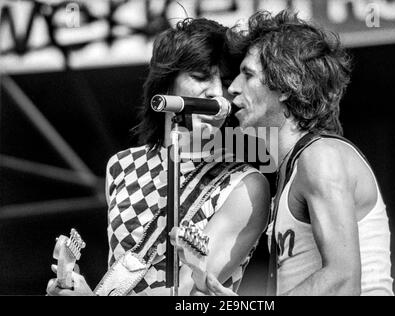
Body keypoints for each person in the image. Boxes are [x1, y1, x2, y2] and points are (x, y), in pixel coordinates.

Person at [46, 17, 270, 296]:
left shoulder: (246, 185)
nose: (215, 92)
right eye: (200, 77)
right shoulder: (122, 166)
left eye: (224, 81)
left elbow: (187, 292)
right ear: (166, 85)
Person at [209, 10, 394, 296]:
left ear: (284, 84)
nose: (232, 88)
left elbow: (343, 281)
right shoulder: (294, 167)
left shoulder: (320, 156)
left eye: (247, 75)